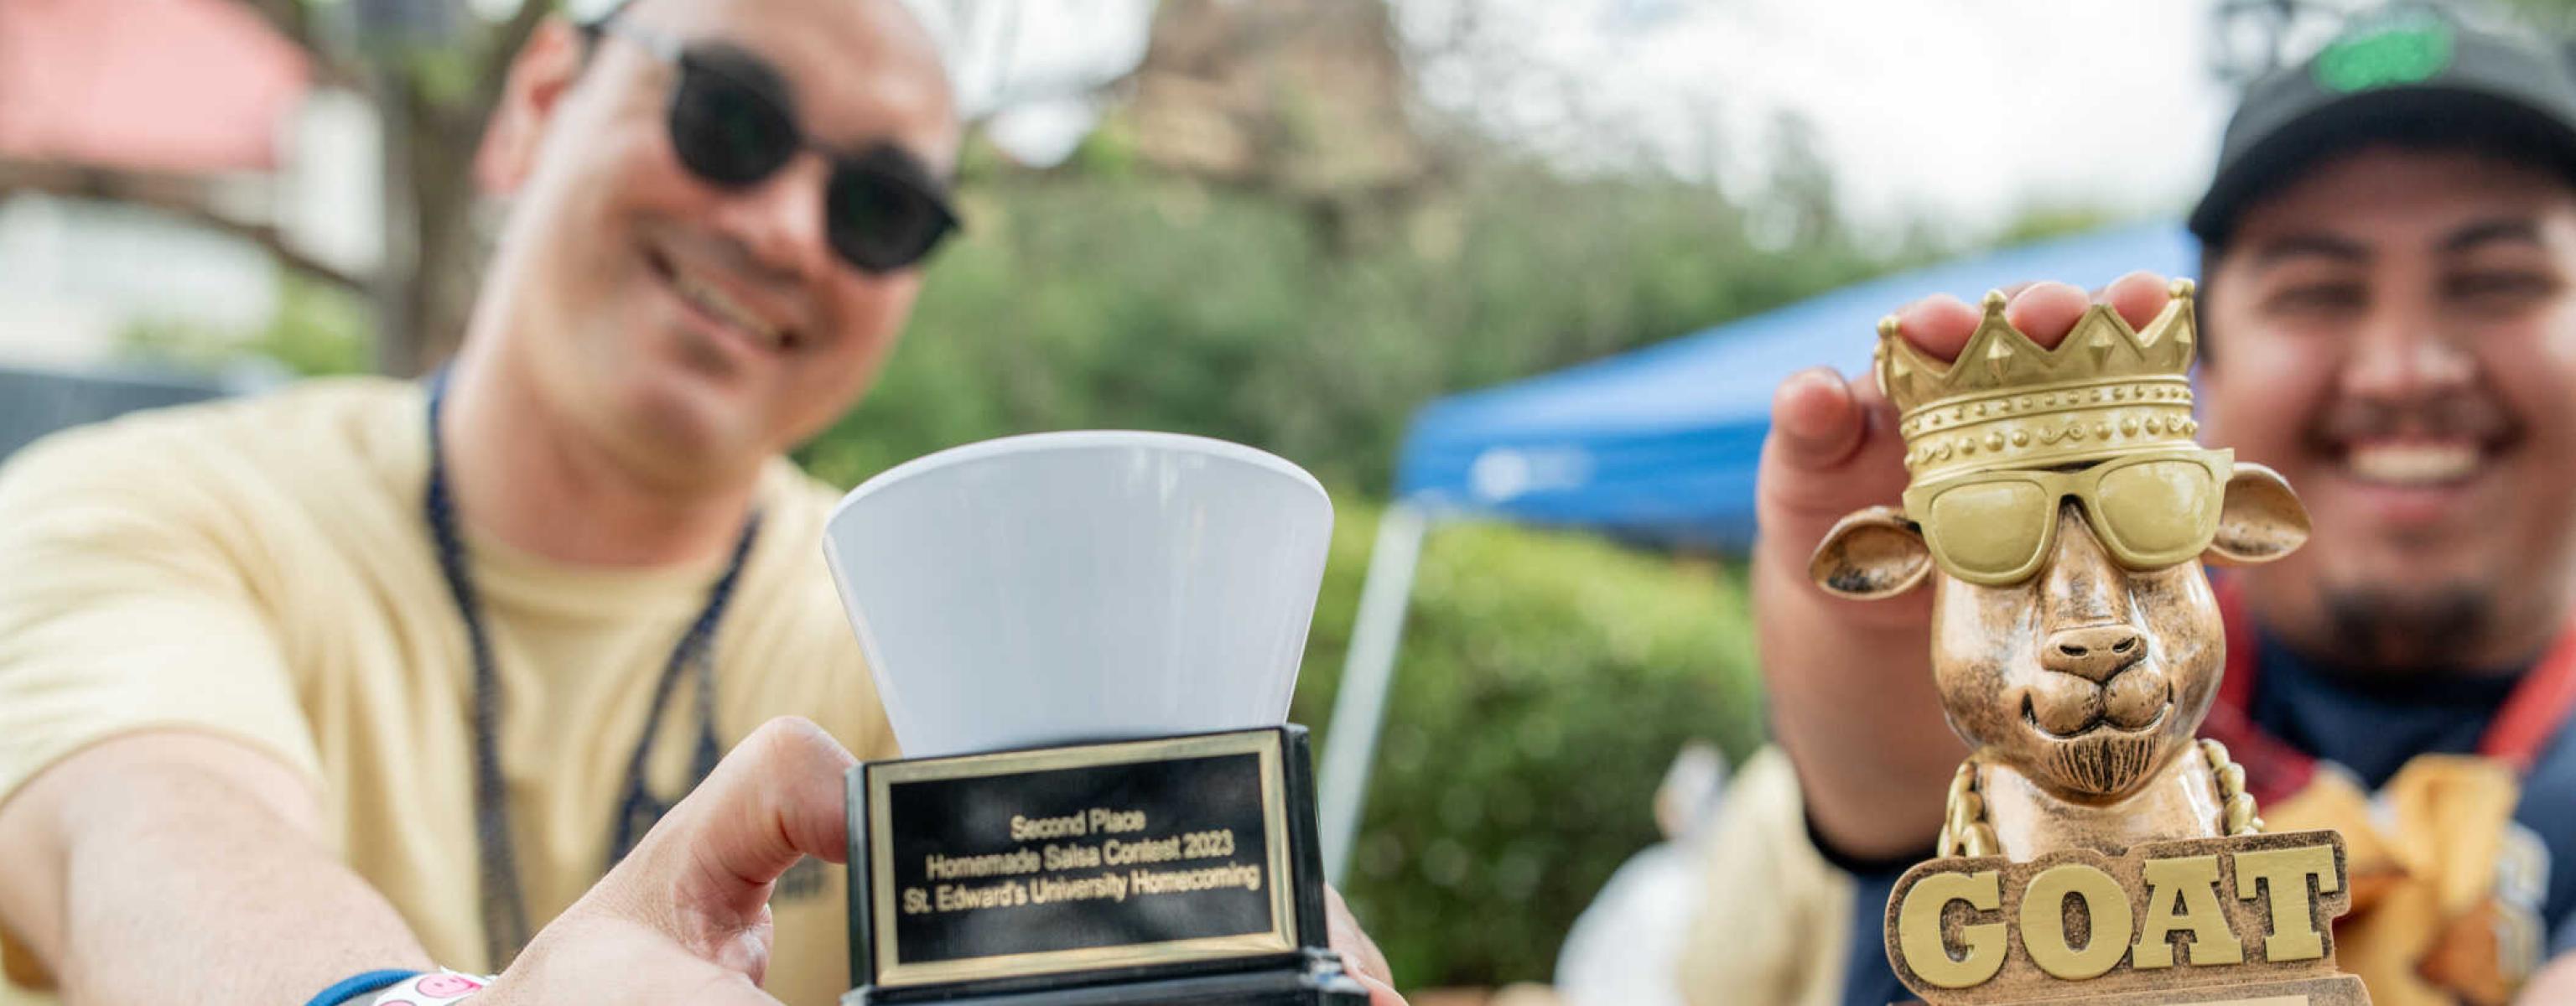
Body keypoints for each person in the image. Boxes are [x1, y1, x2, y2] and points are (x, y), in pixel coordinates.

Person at [0, 1, 1400, 1003]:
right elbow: (150, 843)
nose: (787, 227)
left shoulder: (917, 630)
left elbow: (1132, 877)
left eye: (879, 207)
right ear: (538, 98)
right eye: (728, 118)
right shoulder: (142, 512)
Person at [1674, 16, 2576, 1006]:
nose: (2405, 368)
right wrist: (1884, 670)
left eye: (2499, 282)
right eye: (2319, 291)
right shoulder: (1978, 777)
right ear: (2211, 375)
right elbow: (1888, 804)